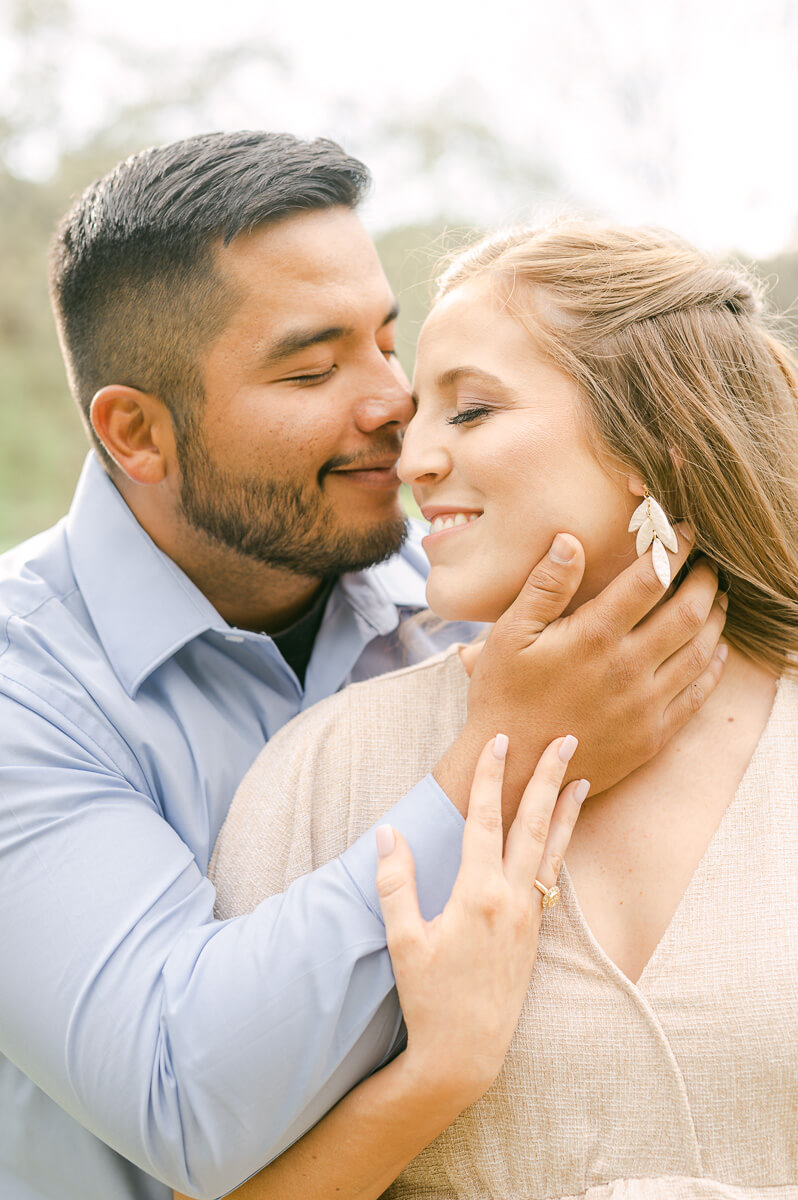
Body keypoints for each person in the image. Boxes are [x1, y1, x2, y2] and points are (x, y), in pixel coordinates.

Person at [0, 132, 725, 1200]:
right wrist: (509, 753)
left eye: (390, 342)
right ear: (137, 434)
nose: (395, 403)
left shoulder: (474, 612)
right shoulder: (29, 687)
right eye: (311, 367)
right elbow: (181, 1098)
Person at [205, 221, 798, 1199]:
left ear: (659, 439)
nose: (412, 461)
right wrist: (439, 1074)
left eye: (471, 411)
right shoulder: (328, 770)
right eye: (417, 417)